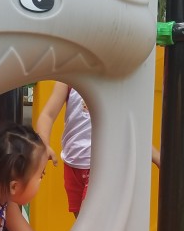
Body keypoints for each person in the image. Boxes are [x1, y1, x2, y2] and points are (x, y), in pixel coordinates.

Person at [36, 82, 163, 216]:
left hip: (101, 165)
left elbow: (129, 126)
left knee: (89, 220)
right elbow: (48, 115)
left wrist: (156, 157)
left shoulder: (113, 80)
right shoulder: (69, 78)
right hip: (72, 163)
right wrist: (44, 145)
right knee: (81, 220)